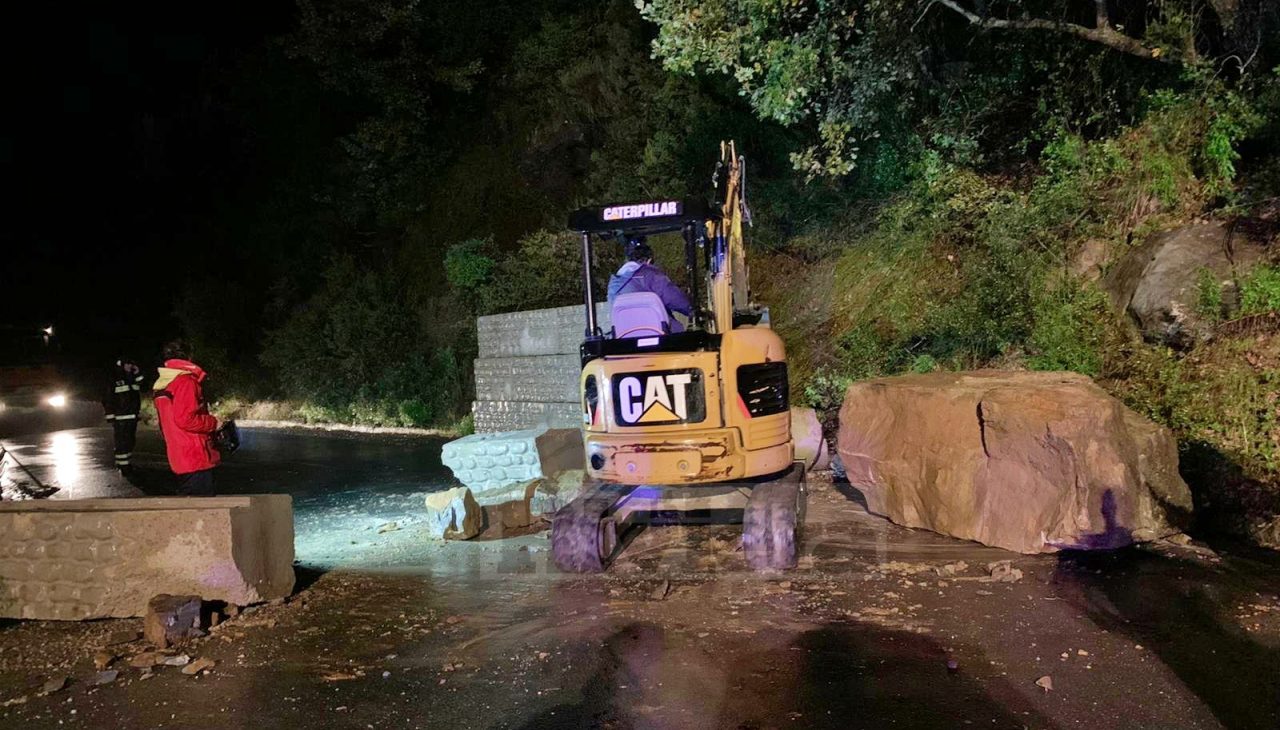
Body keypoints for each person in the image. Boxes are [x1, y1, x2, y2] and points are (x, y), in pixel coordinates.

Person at [152, 340, 220, 495]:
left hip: (179, 454)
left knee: (189, 503)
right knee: (202, 508)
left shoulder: (164, 383)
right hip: (195, 456)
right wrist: (213, 423)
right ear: (189, 357)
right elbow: (185, 419)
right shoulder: (185, 382)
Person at [606, 237, 693, 332]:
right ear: (649, 260)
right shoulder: (651, 275)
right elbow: (674, 298)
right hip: (659, 333)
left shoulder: (614, 284)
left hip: (626, 337)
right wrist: (692, 310)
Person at [102, 358, 145, 475]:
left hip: (132, 417)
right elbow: (108, 397)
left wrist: (137, 373)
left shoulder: (132, 378)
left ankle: (127, 462)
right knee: (122, 442)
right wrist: (110, 415)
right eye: (128, 364)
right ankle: (123, 465)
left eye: (131, 364)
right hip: (120, 417)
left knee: (130, 441)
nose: (130, 366)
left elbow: (143, 385)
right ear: (122, 365)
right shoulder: (114, 378)